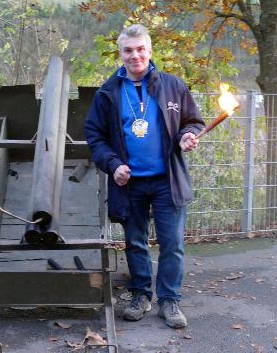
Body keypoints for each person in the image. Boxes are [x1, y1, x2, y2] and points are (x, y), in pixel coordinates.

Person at [85, 24, 204, 329]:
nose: (135, 55)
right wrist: (113, 165)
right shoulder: (107, 93)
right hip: (129, 183)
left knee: (172, 243)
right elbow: (94, 136)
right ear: (121, 54)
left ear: (150, 52)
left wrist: (187, 137)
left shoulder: (173, 86)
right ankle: (140, 295)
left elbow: (193, 122)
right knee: (135, 242)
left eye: (140, 49)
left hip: (168, 180)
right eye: (128, 50)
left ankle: (169, 299)